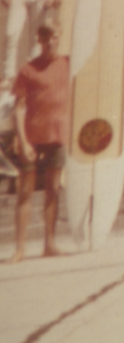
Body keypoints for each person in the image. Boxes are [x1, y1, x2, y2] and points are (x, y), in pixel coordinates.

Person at [7, 22, 69, 262]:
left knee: (53, 190)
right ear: (39, 39)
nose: (50, 41)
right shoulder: (27, 70)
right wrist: (23, 141)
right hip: (32, 137)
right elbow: (18, 108)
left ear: (59, 36)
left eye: (54, 35)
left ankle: (49, 243)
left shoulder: (67, 64)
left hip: (57, 135)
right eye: (45, 36)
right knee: (25, 192)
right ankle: (20, 248)